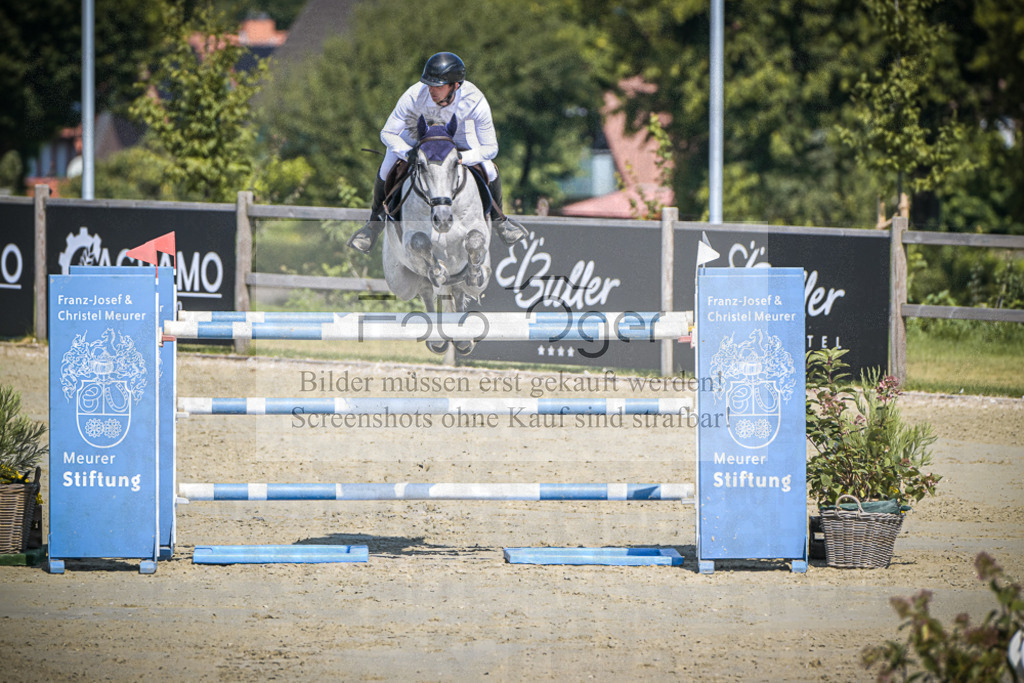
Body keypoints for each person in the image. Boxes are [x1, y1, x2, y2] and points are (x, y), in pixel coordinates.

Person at [348, 52, 527, 253]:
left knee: (490, 170)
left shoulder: (475, 101)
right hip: (418, 136)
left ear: (455, 86)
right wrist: (407, 153)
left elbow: (491, 148)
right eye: (429, 84)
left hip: (458, 136)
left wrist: (462, 158)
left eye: (439, 86)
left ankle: (499, 221)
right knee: (386, 166)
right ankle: (374, 224)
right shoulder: (414, 96)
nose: (431, 90)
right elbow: (387, 133)